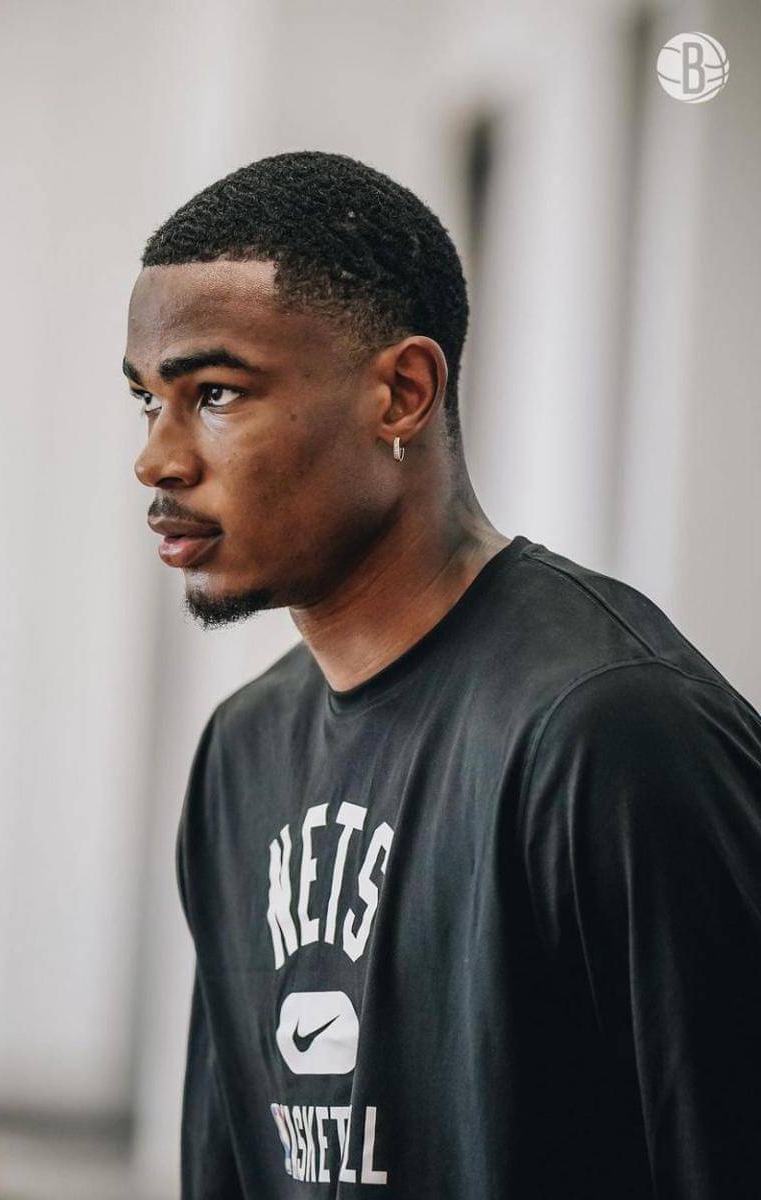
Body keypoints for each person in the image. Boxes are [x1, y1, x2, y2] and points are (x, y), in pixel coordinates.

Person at [125, 150, 761, 1197]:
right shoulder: (242, 750)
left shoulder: (610, 729)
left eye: (217, 393)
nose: (157, 459)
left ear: (402, 393)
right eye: (147, 401)